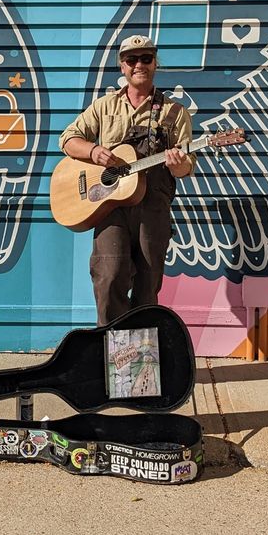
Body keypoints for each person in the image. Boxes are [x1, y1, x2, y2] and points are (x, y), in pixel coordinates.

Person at [59, 35, 194, 324]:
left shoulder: (175, 113)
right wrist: (94, 151)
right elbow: (68, 139)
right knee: (109, 278)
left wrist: (178, 164)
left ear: (155, 63)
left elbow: (185, 169)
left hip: (153, 208)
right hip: (110, 208)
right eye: (132, 60)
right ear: (122, 66)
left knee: (148, 287)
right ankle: (111, 355)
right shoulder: (104, 107)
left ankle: (141, 364)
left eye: (146, 58)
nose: (139, 65)